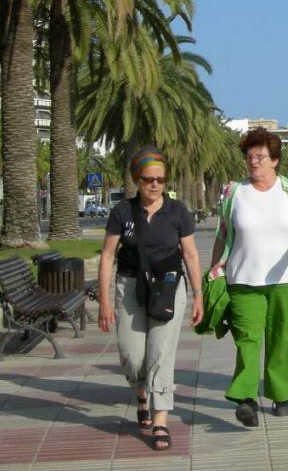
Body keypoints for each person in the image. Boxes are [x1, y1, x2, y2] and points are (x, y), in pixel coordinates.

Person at [209, 129, 288, 425]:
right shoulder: (234, 192)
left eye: (260, 156)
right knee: (247, 339)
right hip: (243, 280)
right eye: (249, 156)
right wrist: (214, 270)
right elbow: (222, 233)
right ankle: (246, 398)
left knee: (283, 338)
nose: (253, 161)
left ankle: (280, 394)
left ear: (275, 160)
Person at [98, 149, 203, 452]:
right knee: (132, 355)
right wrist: (104, 300)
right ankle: (141, 394)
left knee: (161, 353)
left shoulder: (177, 211)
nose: (155, 184)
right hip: (131, 287)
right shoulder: (122, 212)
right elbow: (107, 256)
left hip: (168, 288)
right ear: (137, 180)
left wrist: (198, 296)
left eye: (160, 179)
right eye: (148, 179)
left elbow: (190, 255)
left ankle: (160, 420)